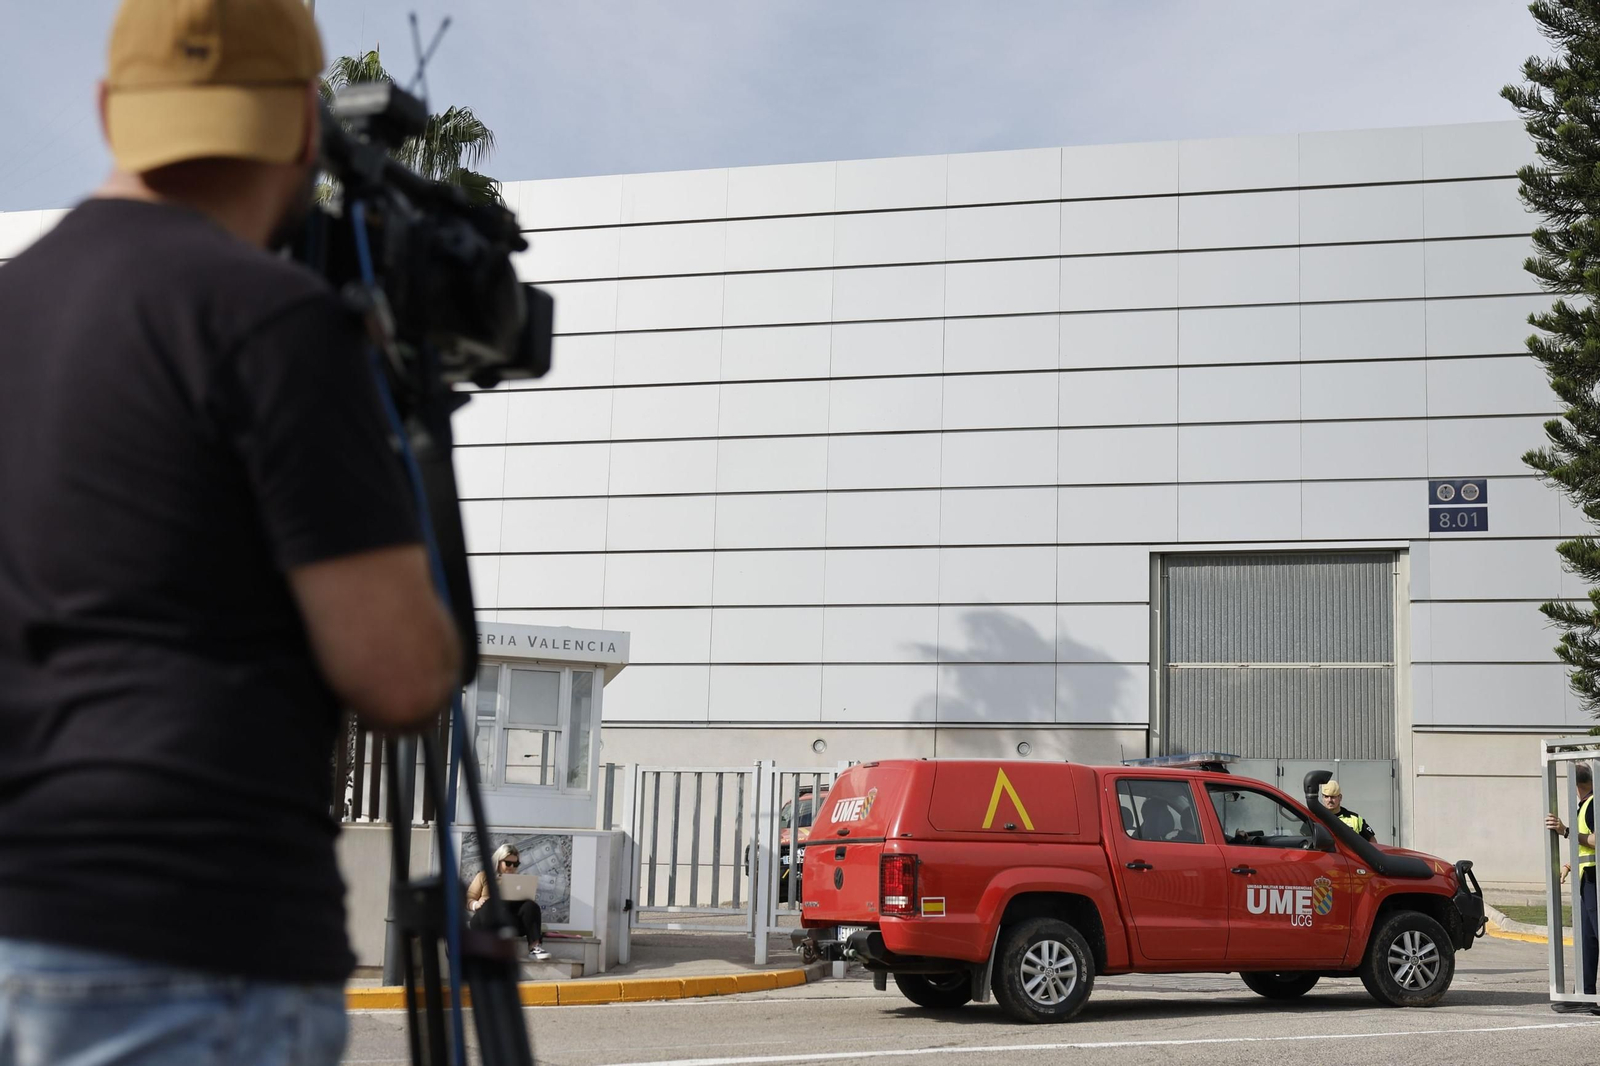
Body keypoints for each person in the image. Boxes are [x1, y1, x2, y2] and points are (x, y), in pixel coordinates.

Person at [0, 1, 462, 1063]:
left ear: (113, 110)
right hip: (192, 941)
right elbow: (398, 675)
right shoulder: (273, 320)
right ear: (305, 124)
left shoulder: (11, 304)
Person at [1546, 763, 1596, 1012]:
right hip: (1586, 878)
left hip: (1594, 879)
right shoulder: (1586, 804)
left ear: (1574, 784)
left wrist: (1566, 831)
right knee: (1588, 940)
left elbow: (1596, 840)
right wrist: (1568, 864)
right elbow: (1586, 846)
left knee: (1596, 936)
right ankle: (1586, 995)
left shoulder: (1592, 804)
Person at [468, 845, 550, 960]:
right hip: (486, 919)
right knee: (491, 902)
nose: (512, 867)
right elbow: (468, 898)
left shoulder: (518, 881)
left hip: (508, 920)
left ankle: (534, 947)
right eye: (508, 863)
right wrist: (476, 904)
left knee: (531, 905)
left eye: (516, 864)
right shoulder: (484, 876)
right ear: (498, 861)